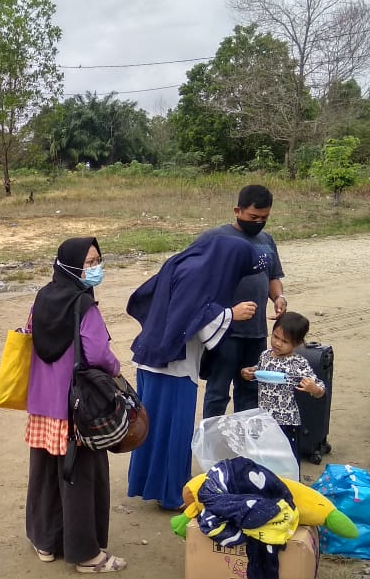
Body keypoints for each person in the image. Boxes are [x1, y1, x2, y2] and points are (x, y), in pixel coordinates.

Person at [126, 235, 265, 510]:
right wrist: (230, 314)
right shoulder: (199, 274)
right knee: (174, 430)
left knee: (152, 428)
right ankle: (173, 494)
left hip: (153, 358)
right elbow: (191, 317)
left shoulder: (183, 263)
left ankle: (150, 485)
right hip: (174, 366)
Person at [25, 237, 127, 573]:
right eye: (88, 262)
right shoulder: (84, 306)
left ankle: (45, 542)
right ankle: (87, 556)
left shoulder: (42, 298)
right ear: (70, 265)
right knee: (81, 477)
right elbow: (98, 355)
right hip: (77, 410)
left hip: (42, 406)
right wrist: (117, 368)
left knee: (45, 475)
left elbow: (28, 333)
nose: (95, 268)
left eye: (97, 260)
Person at [199, 184, 287, 419]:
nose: (259, 222)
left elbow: (273, 276)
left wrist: (278, 296)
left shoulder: (266, 240)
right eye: (253, 217)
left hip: (256, 332)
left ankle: (244, 441)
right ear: (237, 211)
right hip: (225, 331)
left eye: (264, 217)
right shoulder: (214, 238)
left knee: (250, 389)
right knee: (218, 392)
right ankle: (212, 443)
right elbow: (193, 277)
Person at [239, 311, 326, 462]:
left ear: (297, 344)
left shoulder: (298, 363)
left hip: (286, 422)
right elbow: (258, 370)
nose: (277, 343)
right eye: (275, 337)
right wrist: (247, 373)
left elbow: (321, 390)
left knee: (286, 461)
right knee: (264, 459)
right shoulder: (265, 355)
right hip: (264, 419)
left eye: (284, 341)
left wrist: (314, 389)